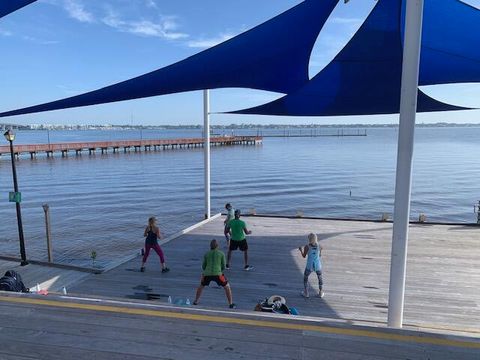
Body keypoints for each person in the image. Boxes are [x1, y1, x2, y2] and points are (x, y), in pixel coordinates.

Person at [193, 239, 236, 309]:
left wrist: (207, 271)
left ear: (210, 246)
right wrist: (219, 271)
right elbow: (223, 266)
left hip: (207, 274)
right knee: (227, 287)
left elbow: (204, 266)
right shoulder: (221, 253)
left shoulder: (206, 254)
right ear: (217, 246)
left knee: (201, 286)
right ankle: (231, 304)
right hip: (218, 274)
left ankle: (196, 301)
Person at [298, 233, 324, 298]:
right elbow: (320, 255)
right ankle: (320, 292)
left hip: (310, 265)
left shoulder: (307, 247)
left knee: (305, 278)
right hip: (317, 264)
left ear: (309, 239)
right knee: (319, 278)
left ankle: (306, 293)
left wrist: (301, 250)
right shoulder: (320, 246)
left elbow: (304, 256)